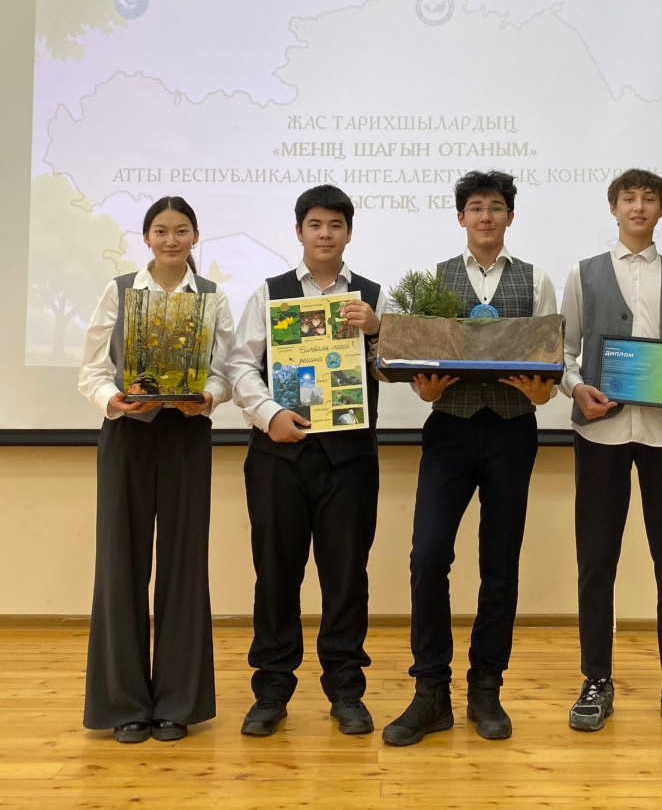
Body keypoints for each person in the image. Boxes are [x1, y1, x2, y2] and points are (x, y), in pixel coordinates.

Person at [382, 170, 558, 746]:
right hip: (450, 431)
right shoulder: (435, 280)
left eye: (496, 207)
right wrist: (424, 389)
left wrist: (542, 394)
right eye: (476, 207)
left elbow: (550, 358)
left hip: (513, 431)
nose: (486, 216)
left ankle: (486, 689)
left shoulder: (536, 280)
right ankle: (430, 691)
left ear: (510, 217)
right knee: (428, 556)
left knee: (499, 565)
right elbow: (421, 359)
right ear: (461, 217)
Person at [561, 168, 662, 736]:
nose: (638, 206)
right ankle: (595, 680)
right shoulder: (583, 273)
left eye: (648, 199)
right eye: (628, 198)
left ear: (661, 210)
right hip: (599, 434)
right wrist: (576, 388)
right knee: (596, 563)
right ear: (613, 208)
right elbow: (564, 352)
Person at [229, 184, 388, 737]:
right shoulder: (269, 294)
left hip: (350, 459)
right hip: (278, 455)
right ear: (299, 232)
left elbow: (395, 369)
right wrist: (268, 412)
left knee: (346, 577)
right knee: (276, 574)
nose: (325, 234)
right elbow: (240, 366)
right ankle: (271, 691)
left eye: (335, 225)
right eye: (315, 224)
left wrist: (377, 333)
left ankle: (346, 691)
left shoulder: (372, 297)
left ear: (349, 232)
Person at [79, 196, 234, 743]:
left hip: (186, 435)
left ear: (196, 237)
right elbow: (92, 368)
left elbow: (225, 370)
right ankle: (123, 703)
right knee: (120, 561)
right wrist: (112, 399)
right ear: (146, 237)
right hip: (128, 434)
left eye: (182, 230)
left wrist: (208, 398)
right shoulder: (120, 290)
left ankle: (177, 703)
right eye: (161, 231)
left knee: (184, 563)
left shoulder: (212, 296)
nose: (171, 240)